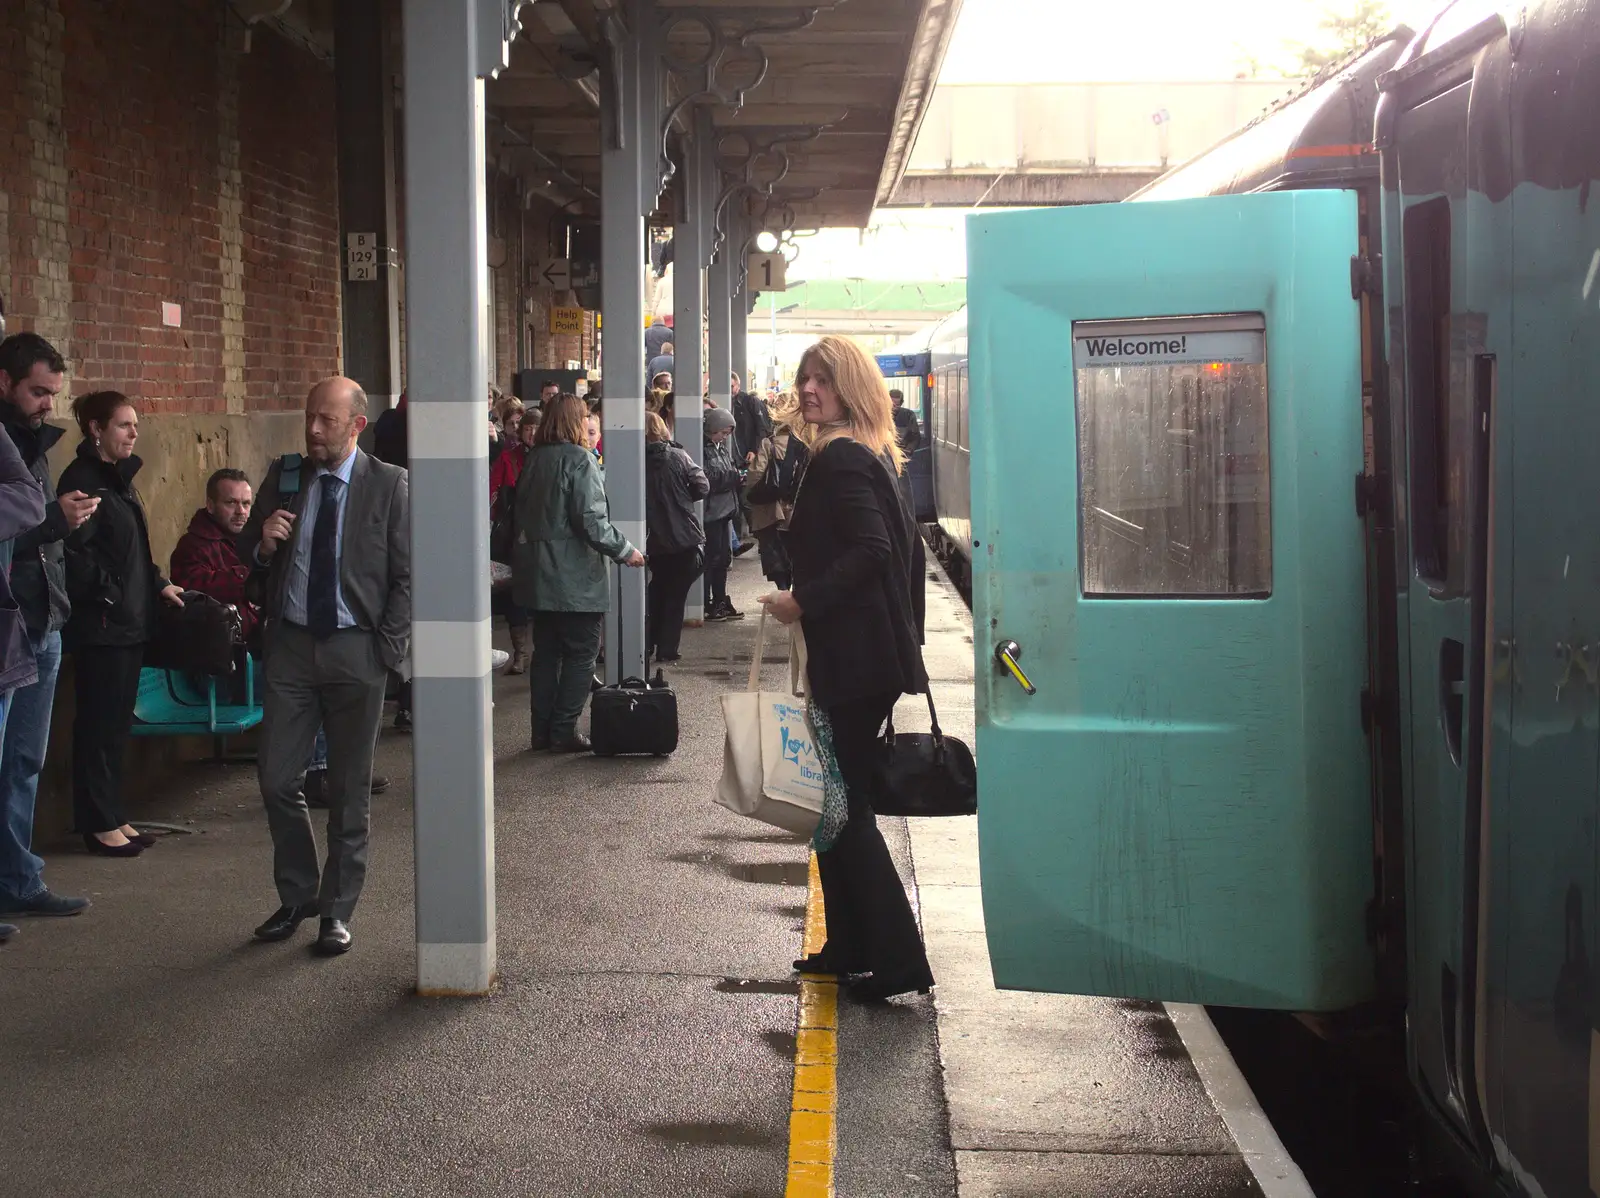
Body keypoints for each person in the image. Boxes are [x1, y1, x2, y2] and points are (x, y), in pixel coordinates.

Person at [758, 335, 934, 1003]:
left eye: (823, 381)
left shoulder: (843, 460)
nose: (808, 391)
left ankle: (896, 959)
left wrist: (802, 599)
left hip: (855, 658)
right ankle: (849, 946)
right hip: (865, 654)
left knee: (844, 806)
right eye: (804, 379)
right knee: (832, 805)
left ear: (848, 387)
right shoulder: (863, 453)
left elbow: (872, 551)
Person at [240, 377, 410, 956]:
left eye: (327, 421)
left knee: (348, 789)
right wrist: (262, 545)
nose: (313, 430)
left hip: (355, 650)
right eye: (309, 417)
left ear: (357, 425)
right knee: (276, 777)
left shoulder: (389, 485)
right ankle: (297, 894)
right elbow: (247, 561)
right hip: (290, 646)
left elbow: (407, 576)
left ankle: (336, 912)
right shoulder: (287, 477)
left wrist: (385, 648)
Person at [170, 469, 390, 806]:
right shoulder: (195, 546)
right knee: (311, 682)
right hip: (219, 669)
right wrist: (256, 567)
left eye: (245, 503)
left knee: (335, 672)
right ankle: (318, 773)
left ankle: (341, 769)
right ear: (210, 505)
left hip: (251, 653)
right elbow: (200, 592)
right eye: (231, 503)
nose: (240, 511)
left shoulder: (242, 541)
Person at [58, 391, 185, 858]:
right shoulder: (84, 481)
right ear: (96, 428)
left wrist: (156, 584)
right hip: (104, 626)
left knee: (115, 726)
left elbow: (130, 550)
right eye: (123, 425)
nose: (134, 433)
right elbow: (76, 557)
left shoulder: (118, 479)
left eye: (135, 424)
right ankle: (96, 823)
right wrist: (111, 594)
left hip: (129, 621)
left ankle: (113, 814)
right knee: (98, 725)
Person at [512, 395, 643, 753]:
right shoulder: (580, 460)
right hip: (575, 577)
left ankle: (541, 731)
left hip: (537, 574)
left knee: (547, 654)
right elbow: (591, 521)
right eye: (584, 415)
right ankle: (563, 730)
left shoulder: (535, 459)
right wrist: (626, 550)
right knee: (582, 654)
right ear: (574, 420)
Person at [0, 334, 71, 936]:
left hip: (44, 618)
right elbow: (14, 531)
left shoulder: (33, 443)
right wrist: (54, 519)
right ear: (5, 382)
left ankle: (19, 880)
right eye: (38, 391)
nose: (49, 403)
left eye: (53, 392)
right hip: (10, 622)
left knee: (25, 759)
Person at [644, 412, 708, 663]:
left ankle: (647, 644)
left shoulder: (636, 461)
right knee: (675, 596)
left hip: (655, 539)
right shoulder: (679, 457)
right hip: (685, 536)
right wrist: (683, 498)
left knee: (658, 590)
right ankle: (667, 648)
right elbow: (702, 486)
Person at [369, 395, 412, 731]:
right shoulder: (404, 432)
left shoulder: (386, 424)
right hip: (405, 528)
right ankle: (408, 701)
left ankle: (406, 700)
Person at [489, 409, 537, 674]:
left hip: (539, 536)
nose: (531, 433)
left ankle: (540, 653)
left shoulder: (546, 457)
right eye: (527, 428)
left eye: (535, 428)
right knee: (514, 597)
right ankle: (520, 654)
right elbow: (493, 494)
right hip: (512, 536)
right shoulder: (508, 458)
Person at [743, 399, 806, 592]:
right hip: (799, 507)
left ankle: (783, 588)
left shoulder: (769, 443)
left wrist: (750, 494)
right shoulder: (808, 444)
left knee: (774, 550)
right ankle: (797, 590)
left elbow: (756, 475)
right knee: (798, 551)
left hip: (774, 509)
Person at [701, 407, 743, 621]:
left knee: (722, 558)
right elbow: (706, 478)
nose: (726, 437)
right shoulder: (704, 448)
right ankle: (710, 602)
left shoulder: (719, 447)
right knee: (712, 558)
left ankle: (719, 599)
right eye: (724, 432)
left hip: (723, 510)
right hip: (713, 512)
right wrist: (733, 478)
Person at [890, 388, 920, 458]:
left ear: (901, 403)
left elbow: (915, 437)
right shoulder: (880, 416)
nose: (893, 408)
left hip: (902, 456)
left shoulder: (909, 415)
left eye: (896, 405)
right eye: (891, 404)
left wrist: (909, 450)